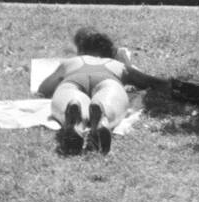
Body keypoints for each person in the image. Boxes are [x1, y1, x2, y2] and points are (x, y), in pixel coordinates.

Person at [37, 28, 168, 154]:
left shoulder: (71, 62)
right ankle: (103, 117)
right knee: (108, 101)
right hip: (108, 79)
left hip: (73, 79)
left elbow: (44, 88)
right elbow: (151, 82)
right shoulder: (118, 65)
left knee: (70, 96)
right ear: (110, 53)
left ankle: (76, 119)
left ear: (81, 51)